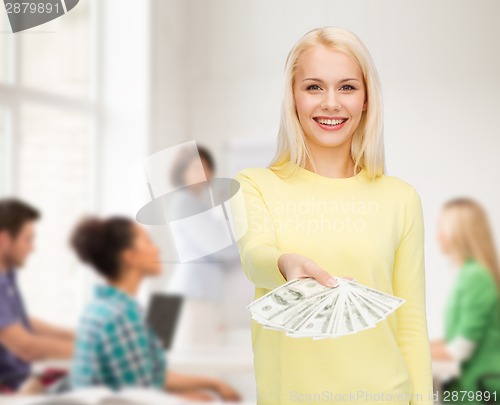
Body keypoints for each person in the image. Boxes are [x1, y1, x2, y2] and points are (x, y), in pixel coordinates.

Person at [229, 27, 433, 405]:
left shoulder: (400, 198)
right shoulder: (253, 185)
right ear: (292, 97)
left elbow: (411, 325)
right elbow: (255, 257)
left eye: (347, 87)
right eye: (313, 87)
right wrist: (283, 264)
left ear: (366, 99)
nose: (331, 103)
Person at [69, 216, 241, 402]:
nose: (157, 248)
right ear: (130, 257)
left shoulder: (103, 307)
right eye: (147, 241)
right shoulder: (122, 316)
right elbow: (139, 395)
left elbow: (151, 375)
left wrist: (212, 383)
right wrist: (189, 399)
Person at [165, 145, 249, 347]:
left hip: (196, 294)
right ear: (182, 172)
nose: (203, 174)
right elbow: (219, 248)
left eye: (206, 168)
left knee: (197, 364)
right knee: (198, 366)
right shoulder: (185, 203)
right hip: (193, 297)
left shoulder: (193, 203)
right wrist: (250, 245)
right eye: (196, 168)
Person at [0, 198, 74, 393]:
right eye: (28, 239)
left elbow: (20, 322)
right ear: (5, 239)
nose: (32, 248)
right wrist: (92, 350)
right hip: (9, 390)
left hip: (21, 381)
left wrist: (77, 335)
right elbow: (26, 348)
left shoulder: (7, 277)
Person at [431, 198, 500, 404]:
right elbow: (454, 338)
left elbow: (458, 350)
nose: (438, 236)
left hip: (479, 390)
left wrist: (404, 351)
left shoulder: (476, 277)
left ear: (458, 233)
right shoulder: (468, 274)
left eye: (441, 228)